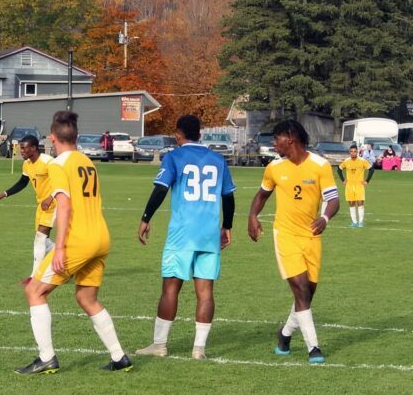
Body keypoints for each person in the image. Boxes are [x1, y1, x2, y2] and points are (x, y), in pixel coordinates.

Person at [18, 111, 131, 374]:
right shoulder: (87, 161)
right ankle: (119, 357)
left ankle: (46, 358)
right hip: (101, 237)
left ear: (52, 137)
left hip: (79, 240)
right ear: (76, 137)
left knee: (34, 291)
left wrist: (59, 247)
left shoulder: (57, 164)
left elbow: (65, 207)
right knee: (86, 297)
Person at [135, 115, 236, 360]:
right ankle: (198, 349)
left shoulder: (174, 157)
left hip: (182, 235)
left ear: (179, 133)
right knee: (206, 292)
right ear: (200, 133)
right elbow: (228, 197)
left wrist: (146, 218)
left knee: (171, 288)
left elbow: (160, 189)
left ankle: (159, 345)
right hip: (209, 233)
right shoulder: (218, 159)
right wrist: (227, 226)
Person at [247, 119, 338, 364]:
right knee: (300, 288)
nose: (273, 144)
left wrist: (325, 218)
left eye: (276, 139)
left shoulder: (320, 165)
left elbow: (333, 200)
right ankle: (313, 348)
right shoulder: (274, 168)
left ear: (290, 138)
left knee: (307, 293)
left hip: (311, 236)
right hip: (285, 235)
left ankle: (285, 334)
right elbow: (262, 195)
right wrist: (252, 216)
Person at [0, 135, 55, 282]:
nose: (21, 151)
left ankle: (35, 276)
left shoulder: (48, 162)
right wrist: (4, 194)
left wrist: (51, 197)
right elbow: (23, 183)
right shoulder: (27, 164)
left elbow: (63, 182)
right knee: (44, 240)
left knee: (40, 238)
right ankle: (65, 259)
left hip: (55, 204)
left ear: (34, 148)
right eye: (20, 148)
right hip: (42, 205)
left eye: (23, 148)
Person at [338, 144, 373, 227]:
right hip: (349, 186)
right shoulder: (346, 161)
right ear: (349, 152)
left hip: (359, 186)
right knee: (351, 203)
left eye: (354, 151)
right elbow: (339, 170)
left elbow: (371, 169)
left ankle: (361, 222)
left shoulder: (362, 161)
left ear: (357, 152)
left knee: (360, 203)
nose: (353, 153)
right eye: (351, 152)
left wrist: (367, 181)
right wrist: (343, 180)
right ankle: (354, 222)